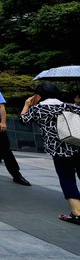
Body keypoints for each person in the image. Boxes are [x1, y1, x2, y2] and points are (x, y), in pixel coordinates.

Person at [20, 82, 80, 224]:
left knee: (67, 178)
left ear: (38, 95)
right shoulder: (69, 106)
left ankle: (77, 212)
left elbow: (23, 120)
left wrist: (27, 105)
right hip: (77, 145)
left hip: (59, 150)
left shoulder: (38, 109)